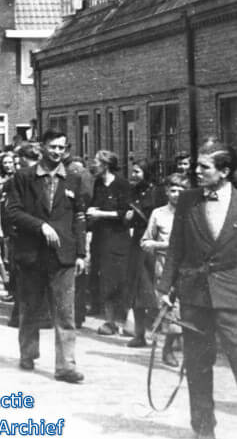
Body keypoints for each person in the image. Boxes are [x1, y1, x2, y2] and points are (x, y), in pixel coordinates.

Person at [158, 141, 237, 439]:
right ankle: (203, 429)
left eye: (204, 166)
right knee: (198, 366)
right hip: (194, 297)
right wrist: (166, 287)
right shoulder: (189, 200)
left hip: (232, 296)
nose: (196, 171)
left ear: (225, 171)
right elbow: (176, 246)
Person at [5, 130, 87, 384]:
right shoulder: (24, 177)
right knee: (30, 308)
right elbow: (13, 212)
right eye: (52, 147)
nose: (57, 152)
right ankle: (28, 353)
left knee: (65, 314)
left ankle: (66, 366)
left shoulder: (73, 179)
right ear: (42, 147)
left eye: (61, 147)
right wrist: (40, 226)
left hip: (63, 257)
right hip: (32, 254)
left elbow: (79, 218)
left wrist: (82, 253)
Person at [141, 172, 188, 367]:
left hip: (189, 269)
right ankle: (167, 349)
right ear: (167, 191)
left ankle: (176, 345)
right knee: (171, 310)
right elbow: (145, 242)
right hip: (165, 268)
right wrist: (165, 245)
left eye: (181, 190)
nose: (177, 194)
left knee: (187, 311)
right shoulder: (158, 214)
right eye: (173, 190)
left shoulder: (193, 212)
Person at [88, 150, 131, 336]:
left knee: (118, 279)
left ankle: (124, 321)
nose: (93, 165)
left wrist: (100, 214)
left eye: (96, 162)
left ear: (105, 165)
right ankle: (110, 321)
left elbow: (124, 212)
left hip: (117, 239)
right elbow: (97, 203)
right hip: (100, 237)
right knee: (103, 278)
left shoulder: (121, 184)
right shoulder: (98, 183)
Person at [124, 159, 162, 348]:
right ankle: (139, 334)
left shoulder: (157, 192)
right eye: (133, 171)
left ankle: (161, 338)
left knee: (155, 290)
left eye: (138, 172)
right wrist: (128, 218)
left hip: (156, 245)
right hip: (138, 243)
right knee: (138, 288)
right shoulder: (134, 191)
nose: (134, 175)